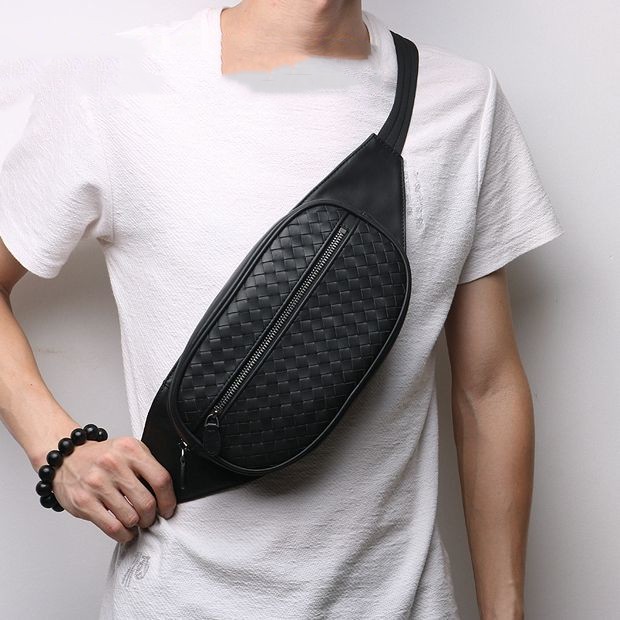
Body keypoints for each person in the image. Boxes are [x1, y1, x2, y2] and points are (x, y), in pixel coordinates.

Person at [0, 2, 564, 619]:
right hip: (181, 602)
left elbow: (487, 388)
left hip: (405, 603)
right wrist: (57, 449)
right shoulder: (117, 81)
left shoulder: (462, 101)